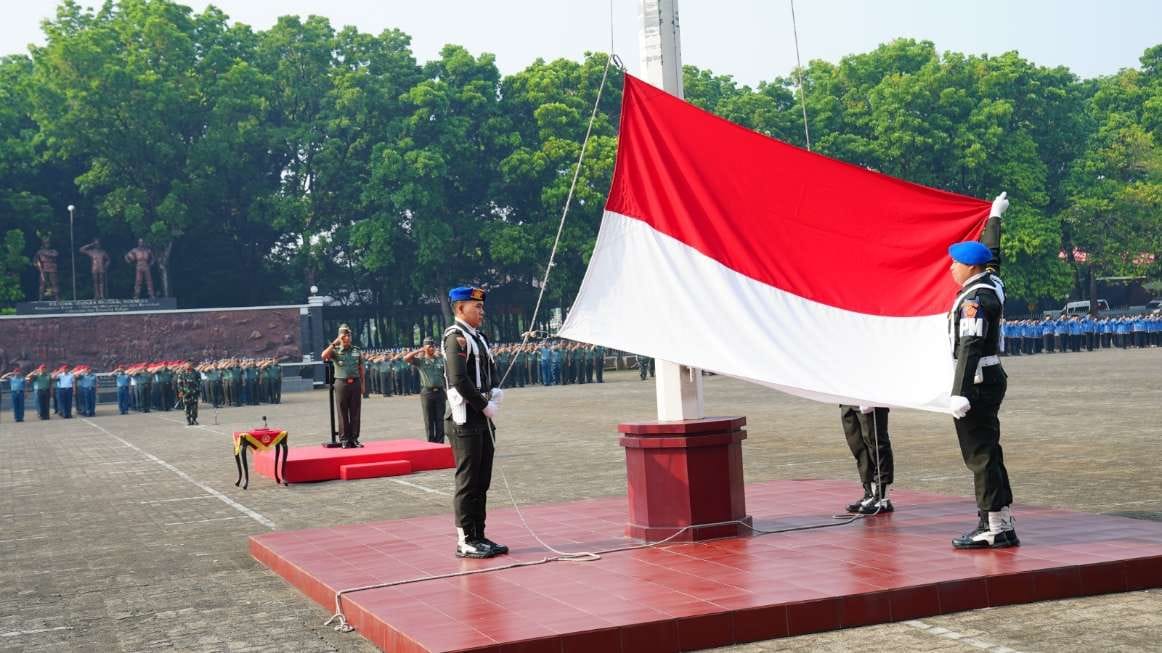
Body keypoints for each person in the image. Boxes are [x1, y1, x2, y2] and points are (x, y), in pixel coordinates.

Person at [946, 192, 1018, 549]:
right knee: (989, 449)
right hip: (989, 378)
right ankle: (1000, 520)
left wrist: (959, 392)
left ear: (970, 268)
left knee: (980, 454)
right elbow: (993, 254)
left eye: (956, 263)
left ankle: (993, 527)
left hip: (976, 382)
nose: (951, 268)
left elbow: (970, 346)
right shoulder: (991, 282)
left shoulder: (975, 299)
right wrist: (994, 217)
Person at [443, 286, 507, 559]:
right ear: (460, 308)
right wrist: (483, 404)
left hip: (482, 417)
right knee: (468, 481)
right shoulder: (455, 337)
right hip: (465, 418)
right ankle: (465, 539)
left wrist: (495, 390)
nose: (482, 311)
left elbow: (489, 370)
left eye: (482, 306)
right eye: (476, 306)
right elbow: (458, 379)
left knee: (482, 480)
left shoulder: (478, 337)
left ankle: (479, 534)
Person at [840, 405, 894, 514]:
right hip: (849, 401)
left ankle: (882, 498)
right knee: (859, 446)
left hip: (869, 399)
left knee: (877, 444)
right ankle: (870, 494)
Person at [323, 324, 363, 447]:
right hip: (341, 383)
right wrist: (334, 343)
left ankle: (354, 438)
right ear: (340, 337)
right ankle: (344, 439)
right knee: (342, 412)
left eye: (348, 335)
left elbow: (361, 369)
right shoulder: (335, 351)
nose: (347, 338)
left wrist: (363, 385)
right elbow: (324, 356)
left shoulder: (356, 350)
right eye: (344, 335)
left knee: (355, 412)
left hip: (355, 382)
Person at [405, 337, 447, 444]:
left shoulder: (440, 360)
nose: (432, 348)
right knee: (429, 420)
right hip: (427, 393)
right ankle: (431, 442)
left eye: (433, 346)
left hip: (440, 392)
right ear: (424, 348)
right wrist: (419, 351)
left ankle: (440, 443)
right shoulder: (421, 361)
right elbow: (406, 358)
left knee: (440, 419)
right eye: (429, 346)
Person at [177, 361, 201, 425]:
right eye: (187, 365)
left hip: (194, 392)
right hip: (186, 393)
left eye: (190, 365)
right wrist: (181, 391)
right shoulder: (182, 373)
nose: (189, 366)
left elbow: (199, 382)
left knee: (194, 408)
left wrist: (197, 390)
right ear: (185, 366)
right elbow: (179, 383)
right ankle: (188, 420)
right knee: (187, 407)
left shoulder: (196, 373)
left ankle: (194, 419)